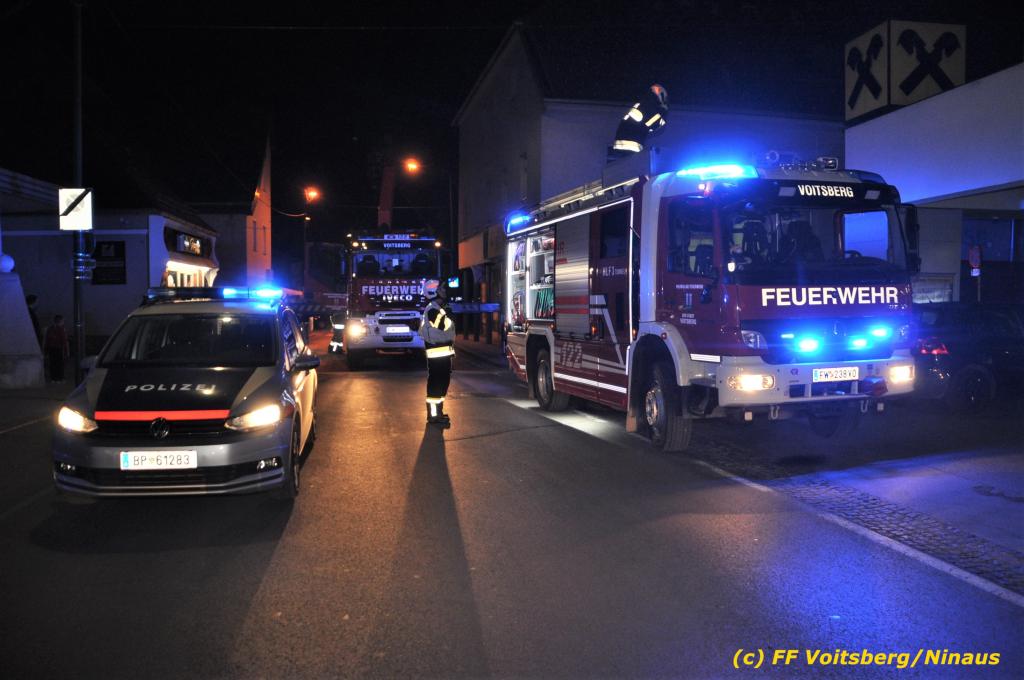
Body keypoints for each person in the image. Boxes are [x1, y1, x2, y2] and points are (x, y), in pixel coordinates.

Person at [419, 280, 456, 426]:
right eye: (441, 289)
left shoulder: (438, 308)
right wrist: (449, 314)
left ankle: (438, 412)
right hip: (436, 354)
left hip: (444, 353)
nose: (445, 291)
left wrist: (446, 311)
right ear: (434, 292)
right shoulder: (432, 309)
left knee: (443, 383)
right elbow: (443, 325)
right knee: (436, 384)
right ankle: (433, 415)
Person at [43, 314, 70, 382]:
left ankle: (53, 378)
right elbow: (64, 340)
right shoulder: (61, 329)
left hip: (51, 349)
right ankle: (60, 378)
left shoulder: (50, 329)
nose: (63, 322)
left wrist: (46, 351)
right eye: (63, 321)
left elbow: (47, 340)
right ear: (60, 321)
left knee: (52, 364)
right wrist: (66, 351)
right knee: (60, 364)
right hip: (59, 348)